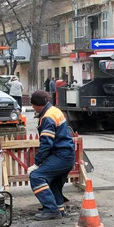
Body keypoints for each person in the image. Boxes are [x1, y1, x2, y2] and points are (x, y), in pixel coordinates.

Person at [27, 90, 76, 220]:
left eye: (33, 105)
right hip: (67, 155)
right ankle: (59, 208)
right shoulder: (55, 110)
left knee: (36, 177)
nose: (32, 108)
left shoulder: (47, 117)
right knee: (53, 182)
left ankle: (51, 209)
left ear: (37, 105)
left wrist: (37, 164)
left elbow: (46, 144)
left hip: (61, 156)